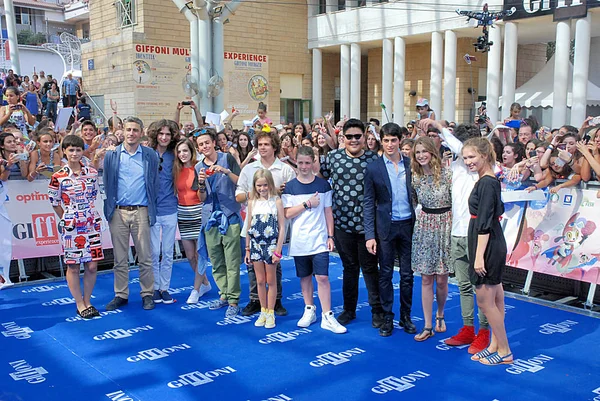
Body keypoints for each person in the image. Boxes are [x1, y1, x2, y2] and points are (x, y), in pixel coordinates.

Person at [321, 118, 384, 327]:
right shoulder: (332, 158)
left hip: (368, 226)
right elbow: (316, 177)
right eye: (350, 137)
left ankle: (377, 311)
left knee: (369, 269)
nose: (354, 140)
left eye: (358, 136)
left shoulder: (374, 160)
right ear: (343, 138)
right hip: (342, 225)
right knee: (349, 269)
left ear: (365, 137)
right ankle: (349, 310)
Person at [283, 146, 346, 334]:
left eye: (307, 163)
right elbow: (287, 213)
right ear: (296, 162)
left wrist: (330, 236)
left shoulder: (323, 185)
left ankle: (327, 315)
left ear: (313, 163)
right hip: (299, 240)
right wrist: (307, 204)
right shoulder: (290, 187)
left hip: (319, 239)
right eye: (300, 162)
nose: (304, 166)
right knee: (305, 277)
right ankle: (309, 309)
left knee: (323, 277)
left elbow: (328, 212)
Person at [462, 137, 513, 365]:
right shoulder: (487, 180)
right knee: (496, 298)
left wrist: (479, 257)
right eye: (464, 158)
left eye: (471, 157)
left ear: (484, 155)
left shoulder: (487, 183)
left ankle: (505, 351)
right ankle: (495, 344)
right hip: (489, 240)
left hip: (487, 244)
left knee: (484, 301)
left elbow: (484, 221)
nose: (467, 161)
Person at [364, 123, 415, 336]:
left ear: (400, 140)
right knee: (384, 274)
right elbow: (368, 202)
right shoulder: (373, 167)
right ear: (381, 141)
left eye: (394, 140)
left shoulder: (411, 164)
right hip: (385, 227)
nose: (390, 144)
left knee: (407, 274)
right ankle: (387, 317)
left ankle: (406, 316)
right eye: (386, 140)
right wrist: (369, 235)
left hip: (408, 225)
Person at [236, 131, 295, 317]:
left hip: (275, 226)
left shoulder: (286, 170)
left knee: (274, 267)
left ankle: (276, 301)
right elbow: (238, 196)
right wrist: (258, 194)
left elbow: (294, 197)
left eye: (266, 144)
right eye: (260, 144)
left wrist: (280, 194)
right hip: (253, 225)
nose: (262, 147)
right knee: (254, 269)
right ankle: (256, 301)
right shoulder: (248, 169)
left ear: (275, 147)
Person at [103, 116, 159, 311]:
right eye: (128, 130)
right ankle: (121, 294)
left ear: (141, 132)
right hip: (118, 211)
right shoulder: (112, 155)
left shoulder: (150, 155)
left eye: (135, 130)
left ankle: (147, 293)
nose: (131, 133)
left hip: (141, 210)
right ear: (123, 131)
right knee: (119, 258)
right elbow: (107, 182)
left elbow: (154, 182)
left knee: (145, 256)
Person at [48, 135, 103, 319]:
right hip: (72, 227)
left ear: (82, 151)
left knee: (93, 265)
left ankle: (88, 301)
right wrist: (68, 219)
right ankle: (79, 303)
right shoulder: (58, 177)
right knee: (73, 266)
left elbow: (95, 194)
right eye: (71, 150)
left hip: (91, 224)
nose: (74, 153)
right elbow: (55, 202)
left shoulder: (92, 173)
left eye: (78, 150)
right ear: (64, 151)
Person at [195, 128, 242, 318]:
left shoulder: (227, 158)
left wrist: (225, 171)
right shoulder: (198, 167)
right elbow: (201, 198)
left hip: (229, 216)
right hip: (210, 220)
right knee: (216, 261)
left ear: (213, 142)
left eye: (207, 142)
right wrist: (200, 184)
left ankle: (233, 300)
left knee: (232, 262)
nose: (205, 146)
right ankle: (223, 294)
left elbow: (241, 181)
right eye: (201, 144)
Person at [409, 136, 453, 341]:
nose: (421, 156)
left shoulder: (447, 173)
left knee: (442, 280)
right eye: (417, 153)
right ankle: (427, 325)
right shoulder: (415, 177)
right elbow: (415, 202)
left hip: (445, 225)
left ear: (431, 152)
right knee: (426, 278)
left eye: (424, 151)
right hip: (425, 226)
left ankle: (440, 313)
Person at [245, 169, 285, 329]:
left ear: (270, 185)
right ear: (254, 186)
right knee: (260, 281)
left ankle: (270, 312)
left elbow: (282, 228)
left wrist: (278, 250)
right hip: (255, 246)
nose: (262, 189)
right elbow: (248, 226)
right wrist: (247, 249)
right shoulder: (251, 203)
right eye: (259, 186)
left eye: (265, 185)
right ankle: (262, 310)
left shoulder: (277, 201)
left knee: (271, 281)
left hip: (271, 246)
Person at [173, 138, 212, 304]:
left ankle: (195, 290)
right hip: (183, 213)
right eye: (179, 151)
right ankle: (205, 283)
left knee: (200, 253)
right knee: (189, 255)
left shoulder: (199, 167)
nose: (182, 154)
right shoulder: (176, 169)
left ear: (191, 152)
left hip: (199, 212)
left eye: (185, 151)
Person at [148, 120, 181, 304]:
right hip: (152, 210)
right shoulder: (147, 154)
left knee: (168, 252)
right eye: (161, 134)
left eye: (168, 134)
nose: (164, 137)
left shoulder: (174, 155)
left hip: (170, 209)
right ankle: (153, 288)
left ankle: (164, 288)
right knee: (153, 252)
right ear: (155, 135)